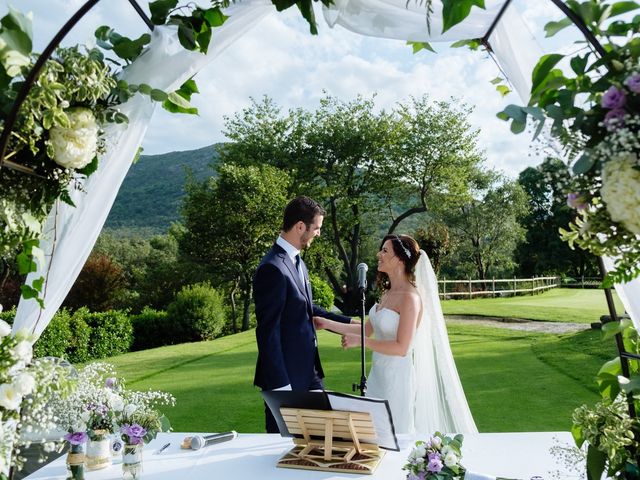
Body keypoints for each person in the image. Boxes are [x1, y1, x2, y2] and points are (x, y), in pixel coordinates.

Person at [314, 234, 477, 435]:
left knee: (396, 436)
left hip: (397, 381)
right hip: (378, 376)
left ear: (400, 259)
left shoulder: (411, 298)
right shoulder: (387, 294)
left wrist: (363, 343)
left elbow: (402, 347)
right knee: (372, 435)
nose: (378, 254)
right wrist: (325, 323)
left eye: (385, 251)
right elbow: (366, 330)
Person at [253, 196, 352, 433]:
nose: (318, 233)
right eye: (316, 228)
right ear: (300, 226)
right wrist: (282, 388)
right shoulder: (272, 268)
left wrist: (351, 323)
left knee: (324, 437)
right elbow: (268, 332)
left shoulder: (297, 262)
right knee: (284, 449)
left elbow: (306, 309)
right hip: (286, 378)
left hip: (309, 372)